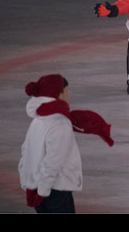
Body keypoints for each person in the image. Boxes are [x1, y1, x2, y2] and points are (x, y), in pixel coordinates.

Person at [19, 74, 114, 213]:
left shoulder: (38, 120)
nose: (68, 94)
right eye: (66, 91)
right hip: (54, 191)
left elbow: (25, 153)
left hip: (38, 187)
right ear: (58, 93)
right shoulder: (60, 123)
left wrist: (28, 185)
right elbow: (53, 162)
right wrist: (42, 192)